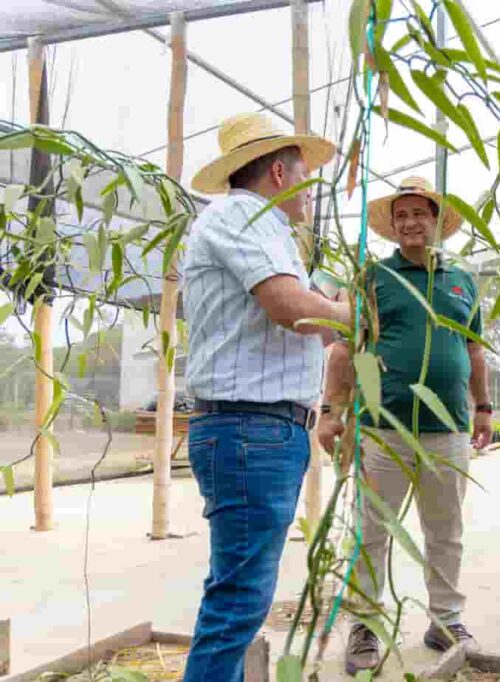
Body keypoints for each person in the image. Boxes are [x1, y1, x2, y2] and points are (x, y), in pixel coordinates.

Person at [182, 112, 347, 681]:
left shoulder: (267, 230)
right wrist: (351, 315)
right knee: (239, 601)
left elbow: (310, 320)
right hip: (250, 430)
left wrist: (338, 311)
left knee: (239, 594)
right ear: (279, 172)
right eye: (305, 173)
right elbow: (291, 308)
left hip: (261, 431)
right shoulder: (242, 215)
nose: (311, 186)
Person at [317, 176, 492, 675]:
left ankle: (445, 620)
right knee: (372, 529)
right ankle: (364, 625)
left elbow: (473, 349)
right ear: (392, 227)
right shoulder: (373, 278)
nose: (411, 222)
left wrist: (483, 406)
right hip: (383, 424)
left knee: (445, 530)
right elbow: (346, 348)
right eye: (402, 215)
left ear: (436, 221)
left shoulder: (462, 281)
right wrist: (332, 412)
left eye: (419, 213)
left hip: (449, 427)